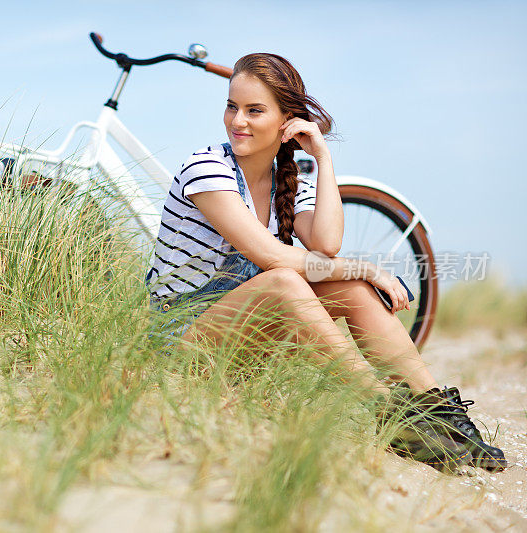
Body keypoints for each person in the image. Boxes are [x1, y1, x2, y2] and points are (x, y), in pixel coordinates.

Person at [145, 53, 506, 472]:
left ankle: (440, 417)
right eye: (232, 106)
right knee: (286, 281)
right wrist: (368, 268)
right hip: (183, 344)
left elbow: (326, 243)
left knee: (349, 289)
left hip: (241, 340)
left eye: (254, 110)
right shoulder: (207, 168)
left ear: (287, 122)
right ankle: (389, 415)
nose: (237, 121)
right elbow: (272, 257)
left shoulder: (288, 177)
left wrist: (323, 158)